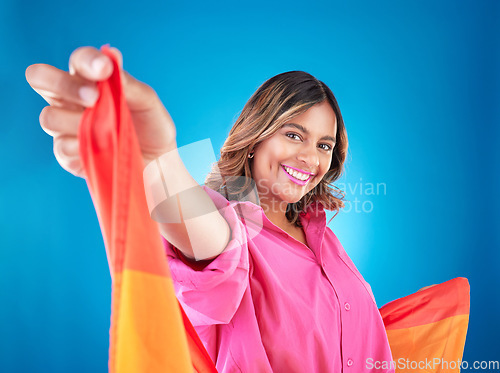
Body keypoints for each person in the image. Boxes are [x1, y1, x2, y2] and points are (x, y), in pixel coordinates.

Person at [26, 46, 394, 372]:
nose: (310, 157)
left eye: (324, 145)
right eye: (293, 135)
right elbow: (208, 237)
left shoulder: (326, 239)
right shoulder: (231, 221)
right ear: (256, 138)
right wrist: (157, 162)